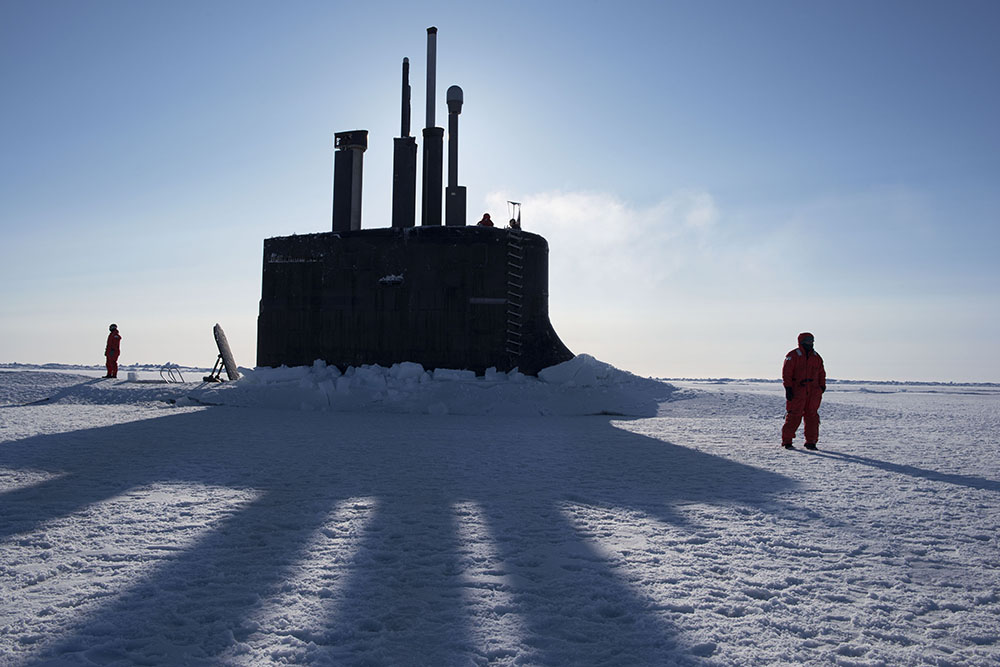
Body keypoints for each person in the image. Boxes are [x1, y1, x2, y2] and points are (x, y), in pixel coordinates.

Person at [781, 332, 826, 450]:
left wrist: (822, 387)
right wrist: (788, 388)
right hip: (797, 391)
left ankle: (811, 442)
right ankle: (787, 441)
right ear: (801, 341)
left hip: (814, 392)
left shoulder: (816, 357)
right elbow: (787, 373)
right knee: (794, 415)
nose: (810, 343)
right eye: (807, 341)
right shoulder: (793, 355)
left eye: (811, 341)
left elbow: (822, 373)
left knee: (812, 416)